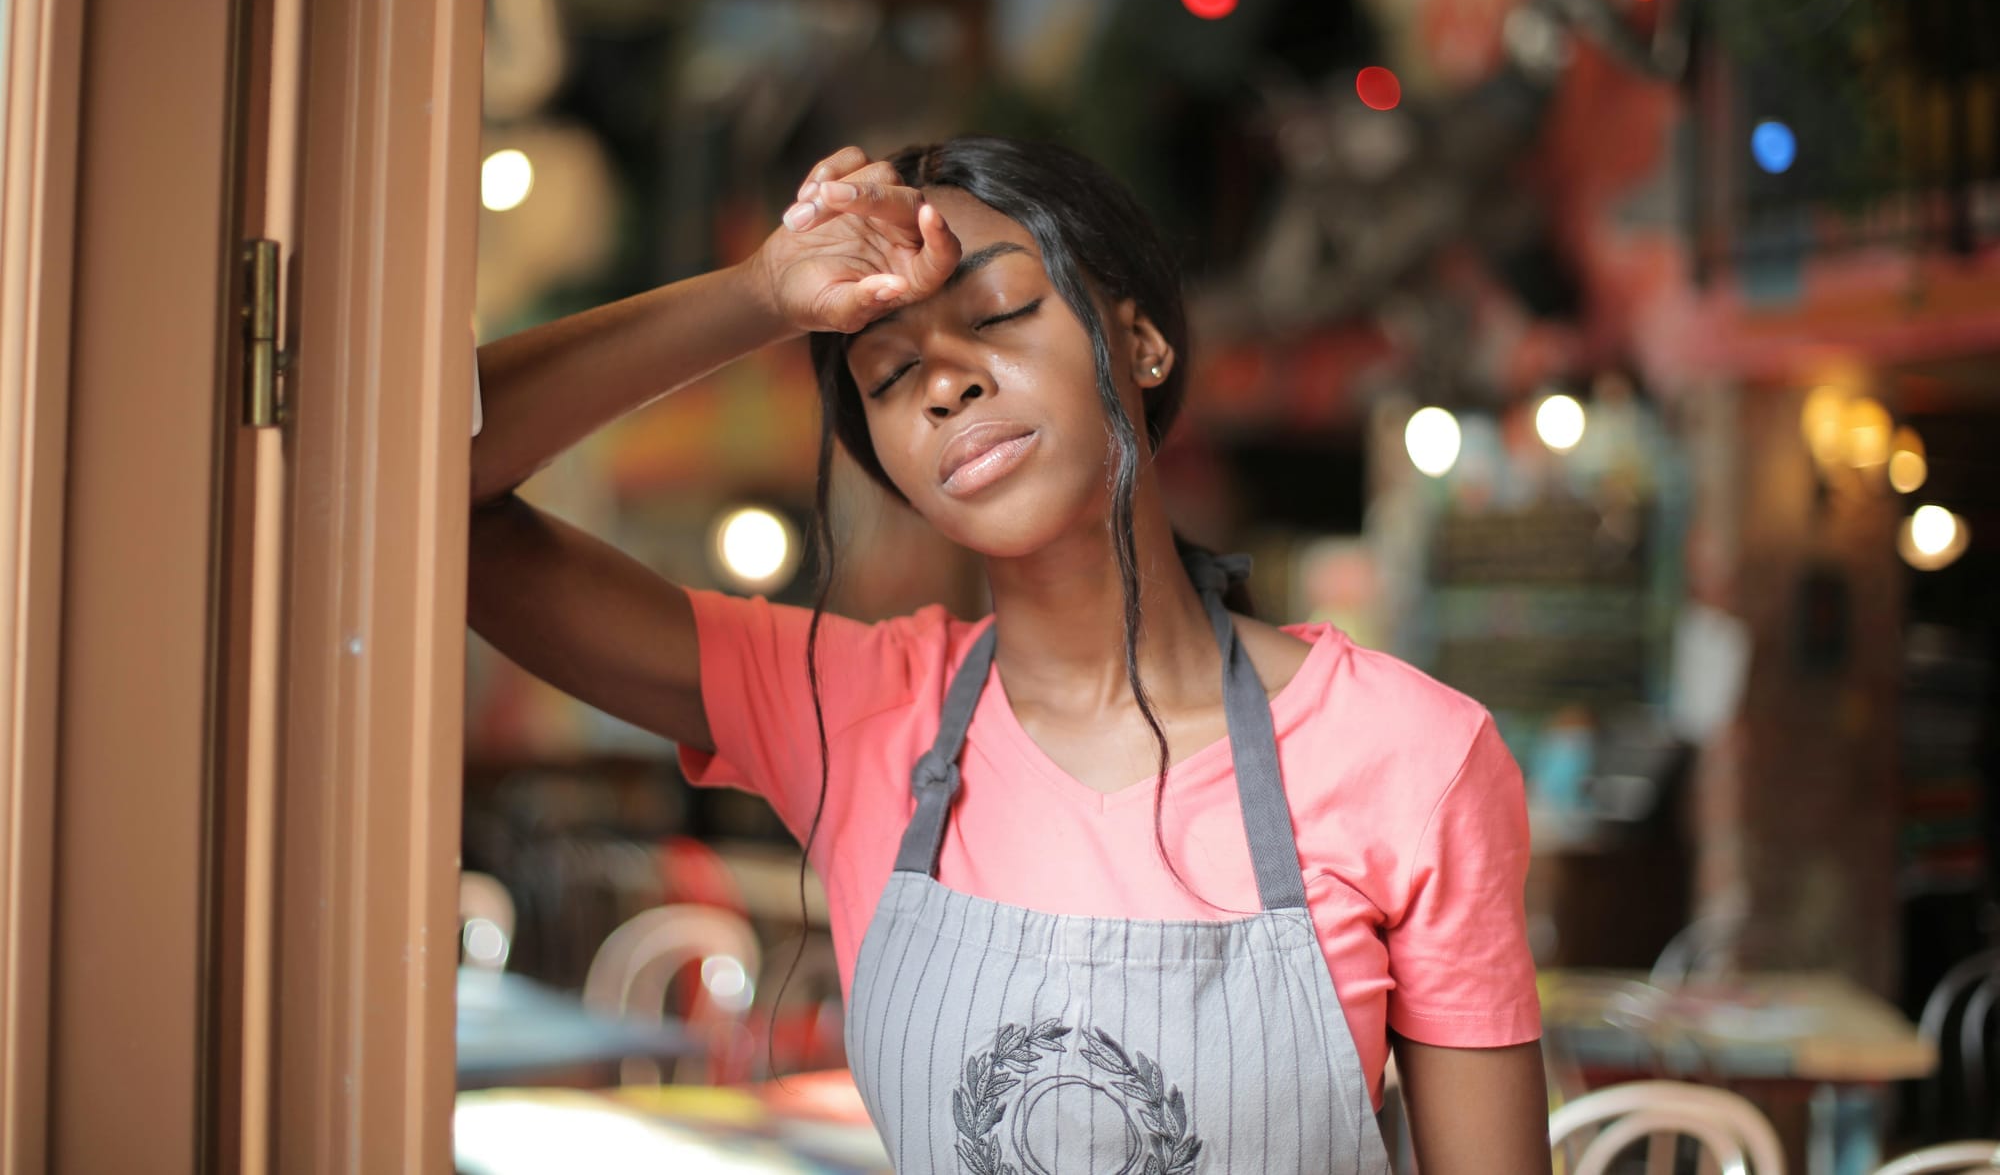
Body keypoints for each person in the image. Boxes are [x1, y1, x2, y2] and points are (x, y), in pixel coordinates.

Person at [468, 137, 1551, 1173]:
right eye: (890, 377)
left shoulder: (1409, 755)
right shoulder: (846, 707)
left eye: (998, 313)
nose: (944, 383)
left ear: (1139, 341)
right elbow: (442, 493)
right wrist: (756, 293)